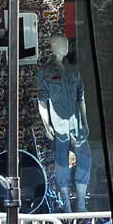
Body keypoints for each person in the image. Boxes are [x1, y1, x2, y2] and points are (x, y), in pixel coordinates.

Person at [36, 33, 92, 213]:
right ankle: (66, 203)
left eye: (66, 43)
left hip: (77, 125)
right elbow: (42, 101)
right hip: (59, 126)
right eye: (61, 43)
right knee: (62, 164)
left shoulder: (74, 70)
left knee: (85, 159)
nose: (65, 46)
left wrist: (85, 121)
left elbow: (81, 97)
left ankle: (81, 202)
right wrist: (47, 126)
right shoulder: (45, 73)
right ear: (53, 46)